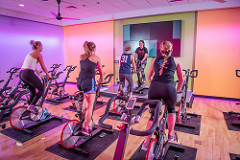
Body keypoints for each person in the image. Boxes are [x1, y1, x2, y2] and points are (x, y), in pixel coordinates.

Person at [142, 41, 184, 151]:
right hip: (169, 89)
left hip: (154, 88)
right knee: (171, 110)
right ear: (171, 50)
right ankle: (170, 134)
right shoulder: (176, 60)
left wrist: (154, 86)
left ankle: (146, 142)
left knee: (153, 115)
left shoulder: (155, 60)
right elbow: (181, 81)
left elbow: (149, 77)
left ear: (161, 51)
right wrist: (177, 91)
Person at [77, 41, 103, 136]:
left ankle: (82, 111)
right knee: (90, 107)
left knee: (86, 98)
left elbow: (86, 67)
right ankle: (85, 127)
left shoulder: (81, 57)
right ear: (93, 48)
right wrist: (101, 80)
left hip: (80, 82)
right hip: (88, 82)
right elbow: (101, 73)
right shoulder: (96, 58)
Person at [20, 40, 51, 110]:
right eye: (41, 47)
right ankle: (32, 106)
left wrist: (39, 74)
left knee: (33, 91)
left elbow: (32, 67)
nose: (42, 48)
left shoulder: (31, 54)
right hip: (28, 74)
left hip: (22, 74)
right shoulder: (38, 54)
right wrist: (48, 75)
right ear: (38, 47)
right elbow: (43, 66)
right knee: (41, 89)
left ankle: (29, 105)